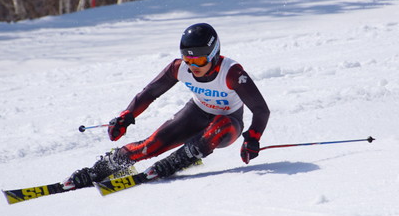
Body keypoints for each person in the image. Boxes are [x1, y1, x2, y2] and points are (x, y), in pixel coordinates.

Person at [63, 23, 270, 189]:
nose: (192, 66)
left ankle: (180, 159)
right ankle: (99, 169)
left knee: (221, 124)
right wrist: (126, 116)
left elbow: (261, 109)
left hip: (228, 125)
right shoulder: (179, 68)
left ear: (214, 54)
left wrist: (253, 137)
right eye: (187, 59)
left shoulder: (232, 73)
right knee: (150, 145)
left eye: (198, 60)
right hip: (196, 113)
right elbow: (150, 92)